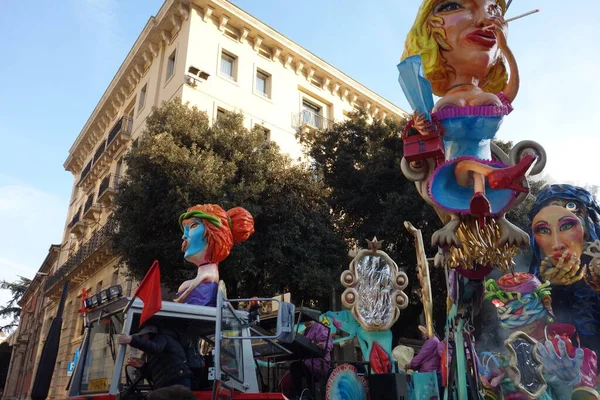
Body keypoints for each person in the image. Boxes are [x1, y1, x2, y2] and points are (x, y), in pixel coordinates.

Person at [399, 0, 535, 245]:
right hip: (452, 178)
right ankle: (496, 178)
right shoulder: (435, 103)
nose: (485, 20)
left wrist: (505, 48)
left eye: (494, 10)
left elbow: (512, 87)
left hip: (482, 172)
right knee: (462, 167)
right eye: (453, 5)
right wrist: (421, 125)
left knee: (469, 167)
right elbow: (430, 133)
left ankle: (497, 196)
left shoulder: (494, 97)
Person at [528, 184, 600, 360]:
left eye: (567, 224)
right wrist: (549, 289)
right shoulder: (539, 274)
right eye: (544, 229)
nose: (558, 242)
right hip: (564, 365)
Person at [175, 204, 254, 306]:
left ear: (216, 232)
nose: (184, 236)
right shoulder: (207, 273)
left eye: (192, 226)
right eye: (184, 230)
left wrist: (179, 299)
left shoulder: (209, 272)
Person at [118, 324, 193, 389]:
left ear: (150, 334)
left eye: (141, 336)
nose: (141, 338)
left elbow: (155, 348)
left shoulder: (162, 338)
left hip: (177, 380)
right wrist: (142, 366)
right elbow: (154, 376)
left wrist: (132, 340)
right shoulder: (151, 353)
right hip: (166, 383)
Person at [289, 320, 334, 399]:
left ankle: (301, 394)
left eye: (309, 320)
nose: (306, 322)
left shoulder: (320, 327)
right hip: (308, 363)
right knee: (296, 368)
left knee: (295, 366)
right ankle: (304, 393)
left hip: (319, 364)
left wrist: (324, 345)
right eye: (305, 321)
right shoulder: (305, 332)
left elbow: (329, 343)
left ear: (314, 319)